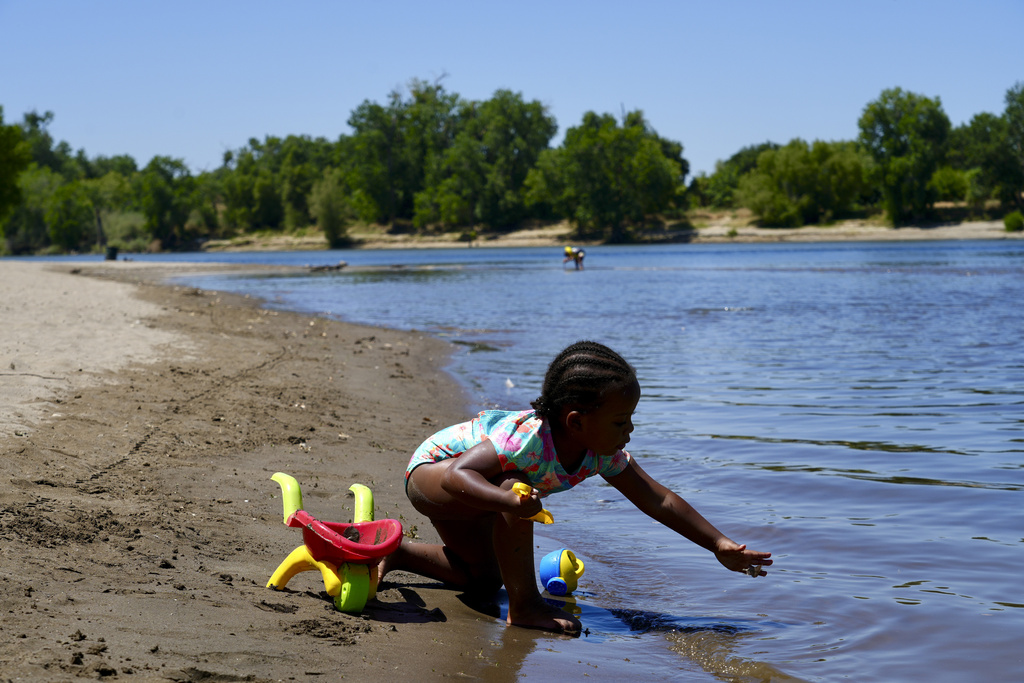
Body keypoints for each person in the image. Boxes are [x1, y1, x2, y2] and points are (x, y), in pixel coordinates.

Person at [379, 341, 772, 634]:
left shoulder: (601, 453)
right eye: (621, 421)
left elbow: (658, 499)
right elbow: (456, 477)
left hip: (481, 498)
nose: (630, 431)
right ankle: (526, 606)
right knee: (518, 490)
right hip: (433, 475)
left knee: (482, 581)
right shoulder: (527, 439)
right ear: (575, 422)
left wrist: (717, 544)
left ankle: (398, 552)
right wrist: (509, 501)